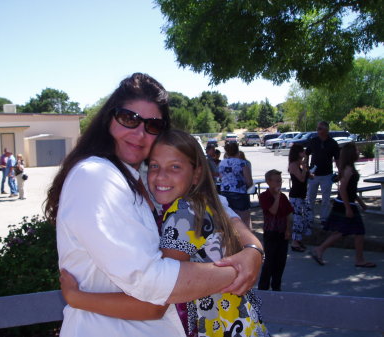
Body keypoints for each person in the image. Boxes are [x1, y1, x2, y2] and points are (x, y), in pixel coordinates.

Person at [44, 73, 263, 336]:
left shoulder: (146, 177)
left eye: (153, 125)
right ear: (108, 119)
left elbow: (218, 209)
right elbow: (152, 289)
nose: (139, 133)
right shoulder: (97, 175)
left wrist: (252, 248)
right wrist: (238, 271)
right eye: (128, 118)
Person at [311, 143, 376, 268]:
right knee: (358, 231)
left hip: (347, 203)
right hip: (344, 204)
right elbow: (343, 190)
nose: (358, 152)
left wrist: (361, 203)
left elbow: (352, 189)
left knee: (343, 231)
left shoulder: (349, 168)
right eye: (356, 150)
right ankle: (359, 259)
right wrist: (348, 208)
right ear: (351, 153)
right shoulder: (348, 169)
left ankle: (320, 249)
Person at [258, 169, 293, 291]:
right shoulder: (264, 196)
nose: (279, 183)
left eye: (280, 181)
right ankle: (263, 286)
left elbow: (289, 214)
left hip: (282, 232)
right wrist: (277, 197)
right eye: (277, 181)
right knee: (269, 261)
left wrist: (288, 229)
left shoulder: (283, 197)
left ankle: (276, 285)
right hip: (270, 232)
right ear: (269, 182)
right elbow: (272, 211)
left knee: (281, 261)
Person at [306, 122, 340, 227]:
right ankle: (309, 218)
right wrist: (307, 168)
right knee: (310, 197)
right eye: (317, 128)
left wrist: (340, 172)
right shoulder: (313, 141)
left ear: (326, 130)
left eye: (320, 128)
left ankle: (324, 218)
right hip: (313, 174)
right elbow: (306, 154)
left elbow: (337, 159)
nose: (318, 130)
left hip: (327, 175)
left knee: (326, 198)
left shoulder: (333, 143)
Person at [219, 142, 254, 229]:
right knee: (245, 220)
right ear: (238, 151)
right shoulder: (243, 163)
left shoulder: (222, 163)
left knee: (229, 219)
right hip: (240, 192)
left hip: (225, 192)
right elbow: (248, 181)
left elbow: (221, 177)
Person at [288, 144, 312, 252]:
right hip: (296, 195)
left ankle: (299, 239)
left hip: (302, 195)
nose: (304, 153)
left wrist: (306, 168)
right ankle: (294, 242)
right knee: (297, 220)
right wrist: (304, 168)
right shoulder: (293, 165)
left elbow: (307, 176)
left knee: (305, 218)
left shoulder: (300, 164)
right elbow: (301, 178)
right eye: (302, 151)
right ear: (298, 153)